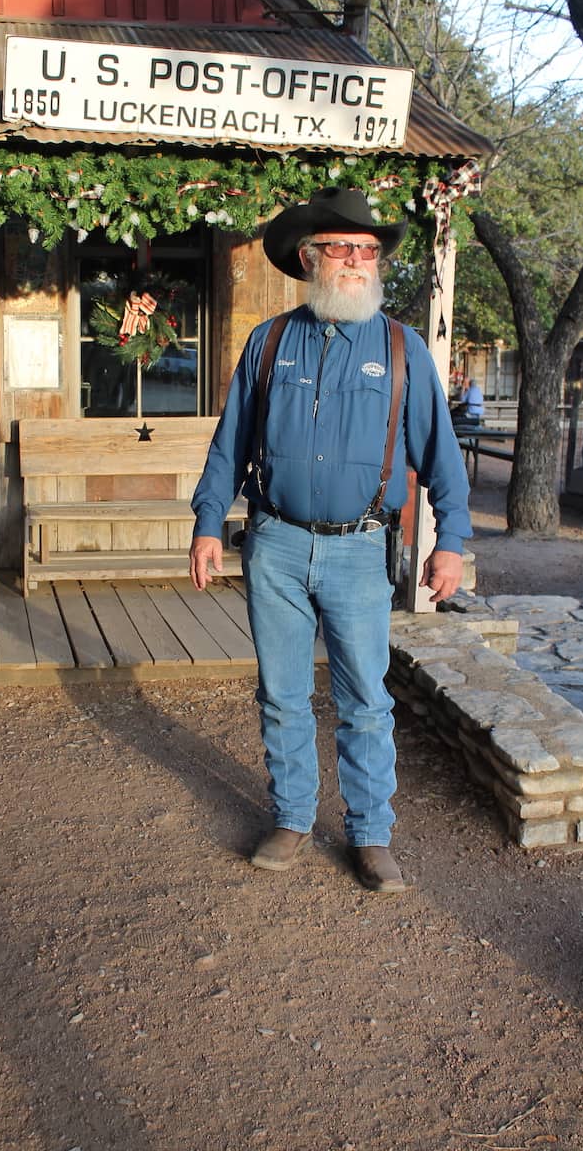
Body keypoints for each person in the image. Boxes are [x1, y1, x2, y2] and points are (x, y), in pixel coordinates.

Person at [189, 187, 471, 893]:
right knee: (282, 694)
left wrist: (452, 542)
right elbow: (228, 446)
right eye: (343, 247)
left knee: (364, 699)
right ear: (310, 256)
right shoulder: (270, 341)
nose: (357, 260)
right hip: (276, 544)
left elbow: (442, 457)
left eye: (368, 250)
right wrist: (206, 523)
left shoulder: (403, 351)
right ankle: (290, 816)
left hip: (357, 550)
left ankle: (370, 834)